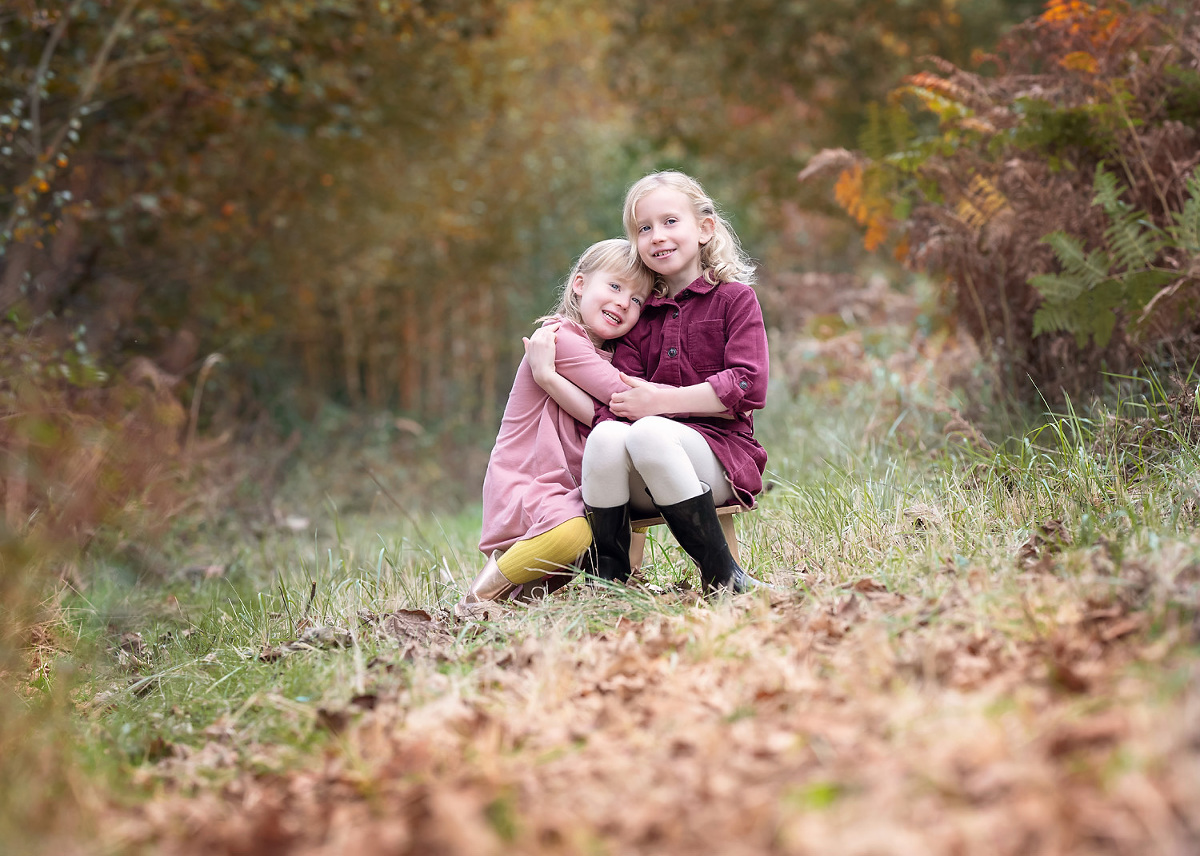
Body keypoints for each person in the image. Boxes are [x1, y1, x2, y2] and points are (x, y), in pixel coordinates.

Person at [580, 171, 769, 594]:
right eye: (644, 229)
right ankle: (607, 582)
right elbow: (619, 396)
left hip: (719, 461)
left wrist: (662, 402)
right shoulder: (640, 315)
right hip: (644, 473)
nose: (657, 236)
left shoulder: (735, 300)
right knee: (607, 437)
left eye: (669, 222)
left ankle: (724, 577)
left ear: (704, 229)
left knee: (648, 431)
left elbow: (749, 385)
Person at [454, 239, 656, 618]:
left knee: (626, 488)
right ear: (579, 284)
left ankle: (620, 584)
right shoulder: (560, 338)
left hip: (567, 484)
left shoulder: (608, 354)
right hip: (529, 481)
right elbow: (621, 399)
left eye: (637, 300)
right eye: (614, 286)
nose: (623, 303)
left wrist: (548, 379)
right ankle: (477, 596)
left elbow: (601, 416)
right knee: (574, 536)